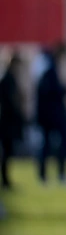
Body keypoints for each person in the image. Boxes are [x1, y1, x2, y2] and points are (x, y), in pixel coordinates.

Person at [35, 43, 66, 186]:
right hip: (51, 117)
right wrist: (65, 91)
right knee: (51, 145)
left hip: (51, 116)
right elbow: (49, 94)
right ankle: (50, 175)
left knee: (51, 145)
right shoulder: (49, 71)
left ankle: (51, 174)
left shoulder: (51, 70)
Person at [0, 50, 26, 190]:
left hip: (8, 120)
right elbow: (10, 100)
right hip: (6, 121)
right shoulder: (7, 79)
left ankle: (6, 179)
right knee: (6, 151)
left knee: (8, 151)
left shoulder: (10, 78)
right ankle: (5, 180)